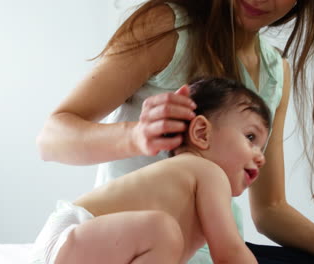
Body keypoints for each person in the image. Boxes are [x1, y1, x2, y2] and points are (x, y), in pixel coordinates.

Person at [37, 1, 314, 263]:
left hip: (207, 251)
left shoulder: (275, 73)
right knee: (166, 232)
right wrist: (135, 136)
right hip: (123, 248)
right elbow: (50, 139)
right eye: (250, 139)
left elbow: (270, 209)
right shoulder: (167, 28)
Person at [31, 77, 271, 264]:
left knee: (165, 235)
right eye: (250, 137)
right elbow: (230, 254)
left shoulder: (185, 183)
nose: (260, 158)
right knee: (163, 230)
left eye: (262, 147)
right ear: (201, 133)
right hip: (72, 236)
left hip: (81, 245)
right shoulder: (207, 171)